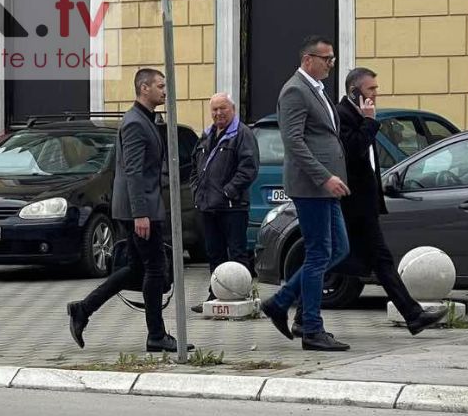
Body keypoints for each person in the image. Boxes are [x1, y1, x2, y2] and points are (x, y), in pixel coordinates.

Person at [66, 68, 194, 354]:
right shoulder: (136, 122)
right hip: (141, 208)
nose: (165, 90)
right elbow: (134, 171)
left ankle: (83, 309)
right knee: (155, 269)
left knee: (138, 268)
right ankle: (156, 335)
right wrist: (140, 213)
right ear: (144, 88)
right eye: (160, 86)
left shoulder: (145, 119)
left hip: (142, 206)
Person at [330, 68, 447, 335]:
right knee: (370, 259)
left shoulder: (359, 115)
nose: (375, 94)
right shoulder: (343, 115)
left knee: (360, 260)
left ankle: (413, 315)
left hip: (365, 205)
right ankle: (413, 315)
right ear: (354, 92)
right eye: (371, 89)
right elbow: (352, 151)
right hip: (353, 205)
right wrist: (369, 122)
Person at [257, 36, 352, 352]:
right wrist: (325, 177)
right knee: (319, 253)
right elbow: (294, 143)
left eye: (332, 59)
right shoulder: (295, 90)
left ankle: (282, 302)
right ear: (309, 59)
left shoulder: (317, 90)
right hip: (312, 186)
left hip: (324, 187)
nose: (331, 64)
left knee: (338, 247)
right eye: (327, 58)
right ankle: (311, 327)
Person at [189, 92, 259, 314]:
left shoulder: (242, 134)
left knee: (237, 252)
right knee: (214, 253)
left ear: (233, 109)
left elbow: (249, 168)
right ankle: (215, 294)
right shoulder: (207, 134)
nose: (218, 113)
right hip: (208, 206)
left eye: (223, 108)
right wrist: (196, 190)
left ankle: (242, 295)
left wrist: (228, 191)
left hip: (233, 207)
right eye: (214, 109)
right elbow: (194, 165)